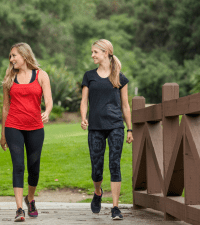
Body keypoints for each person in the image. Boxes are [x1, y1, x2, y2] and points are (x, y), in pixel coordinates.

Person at [80, 39, 133, 220]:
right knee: (97, 168)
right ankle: (98, 192)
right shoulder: (89, 76)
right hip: (95, 127)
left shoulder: (120, 77)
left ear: (106, 53)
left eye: (95, 52)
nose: (92, 55)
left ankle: (115, 207)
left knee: (114, 164)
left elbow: (125, 106)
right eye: (92, 52)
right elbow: (84, 101)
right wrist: (83, 118)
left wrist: (130, 129)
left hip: (116, 126)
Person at [0, 43, 53, 222]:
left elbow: (49, 100)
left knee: (34, 167)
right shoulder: (9, 76)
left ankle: (30, 200)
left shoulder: (41, 75)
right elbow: (5, 107)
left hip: (35, 127)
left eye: (14, 55)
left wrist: (47, 112)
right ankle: (19, 209)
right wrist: (2, 134)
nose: (11, 59)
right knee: (18, 166)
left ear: (24, 55)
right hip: (13, 126)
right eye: (10, 56)